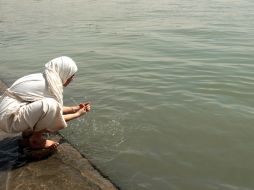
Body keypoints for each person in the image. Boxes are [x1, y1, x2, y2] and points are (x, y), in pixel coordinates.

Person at [0, 56, 91, 149]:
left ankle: (28, 133)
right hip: (9, 121)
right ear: (64, 73)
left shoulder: (43, 78)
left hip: (6, 115)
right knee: (50, 105)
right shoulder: (50, 86)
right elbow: (55, 116)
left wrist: (74, 109)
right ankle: (36, 139)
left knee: (48, 106)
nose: (72, 79)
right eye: (71, 75)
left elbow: (54, 109)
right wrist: (78, 114)